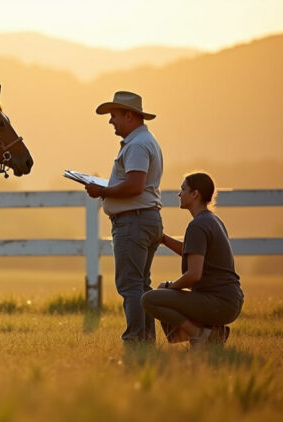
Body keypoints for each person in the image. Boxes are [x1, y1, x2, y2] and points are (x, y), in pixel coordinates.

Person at [86, 91, 163, 344]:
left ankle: (135, 340)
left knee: (130, 285)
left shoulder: (137, 145)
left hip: (133, 222)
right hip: (146, 219)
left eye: (114, 115)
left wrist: (102, 191)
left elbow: (134, 186)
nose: (111, 121)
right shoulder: (145, 141)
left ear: (129, 115)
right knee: (141, 285)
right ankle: (146, 340)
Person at [141, 172, 243, 347]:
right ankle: (212, 332)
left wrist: (171, 288)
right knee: (162, 290)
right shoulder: (212, 220)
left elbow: (194, 275)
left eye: (183, 189)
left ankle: (201, 335)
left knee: (149, 299)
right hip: (230, 300)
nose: (179, 194)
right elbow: (192, 252)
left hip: (219, 302)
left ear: (195, 194)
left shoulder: (198, 225)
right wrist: (163, 239)